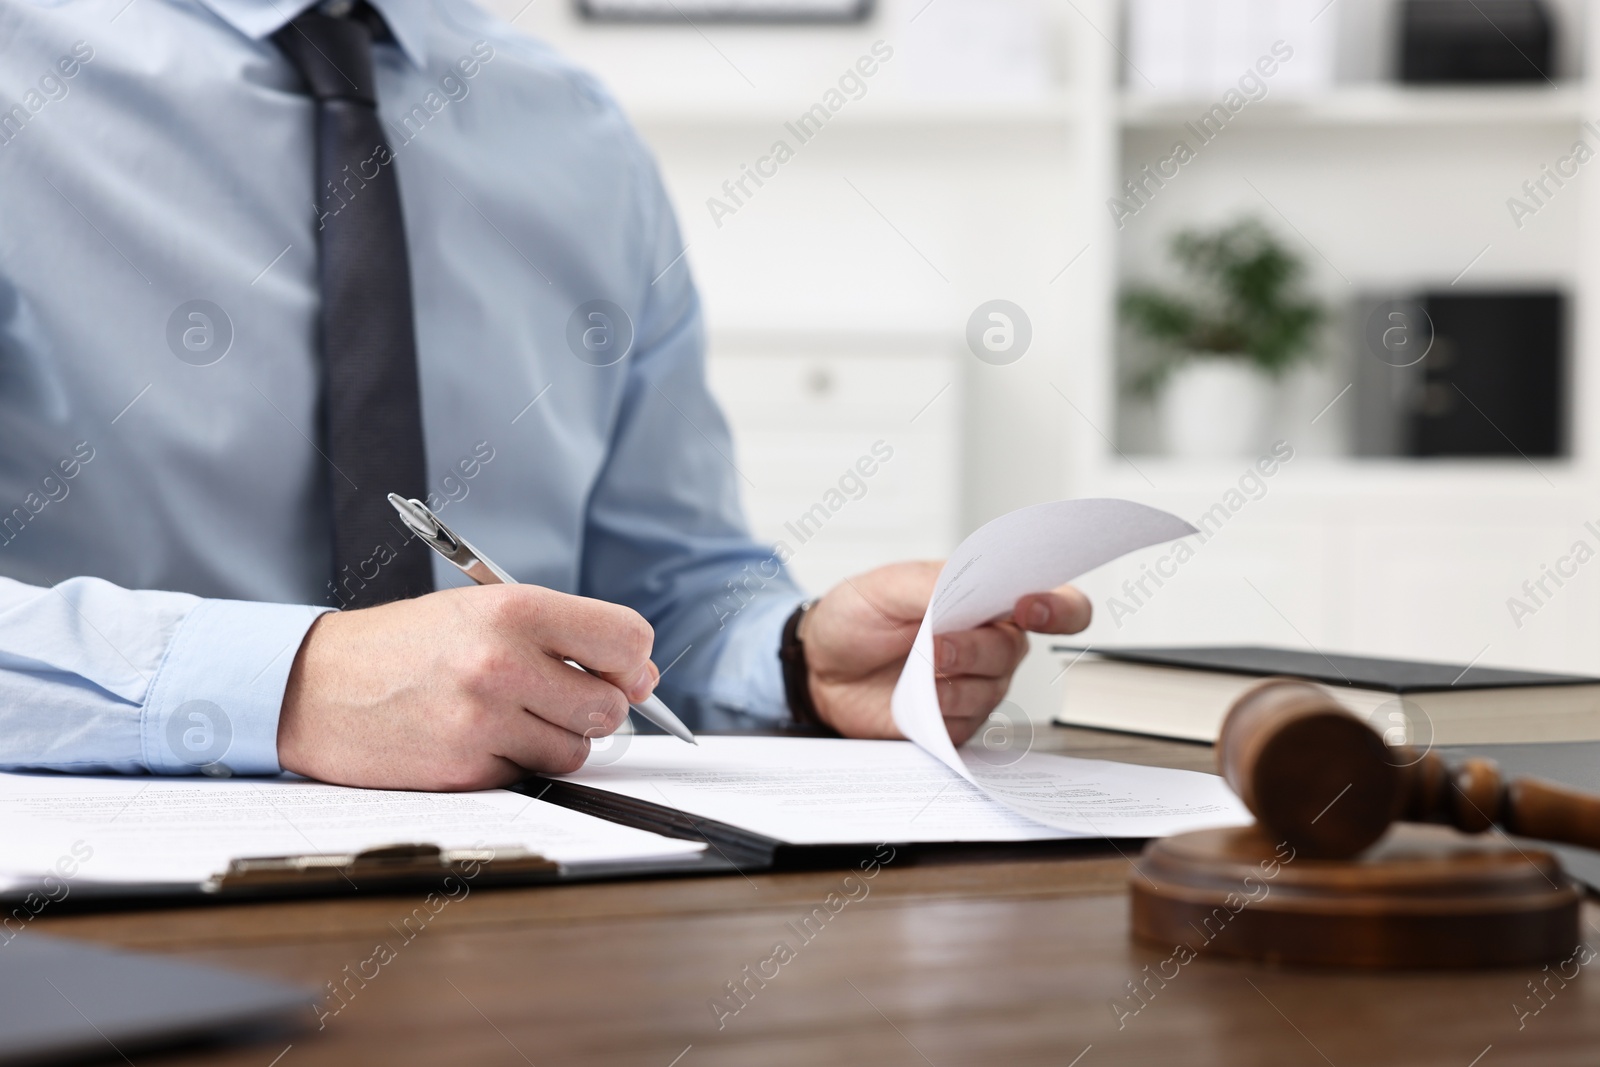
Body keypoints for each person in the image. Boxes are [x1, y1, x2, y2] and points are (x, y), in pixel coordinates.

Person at [0, 0, 1090, 791]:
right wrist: (291, 685)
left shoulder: (573, 130)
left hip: (533, 891)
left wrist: (795, 662)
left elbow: (659, 576)